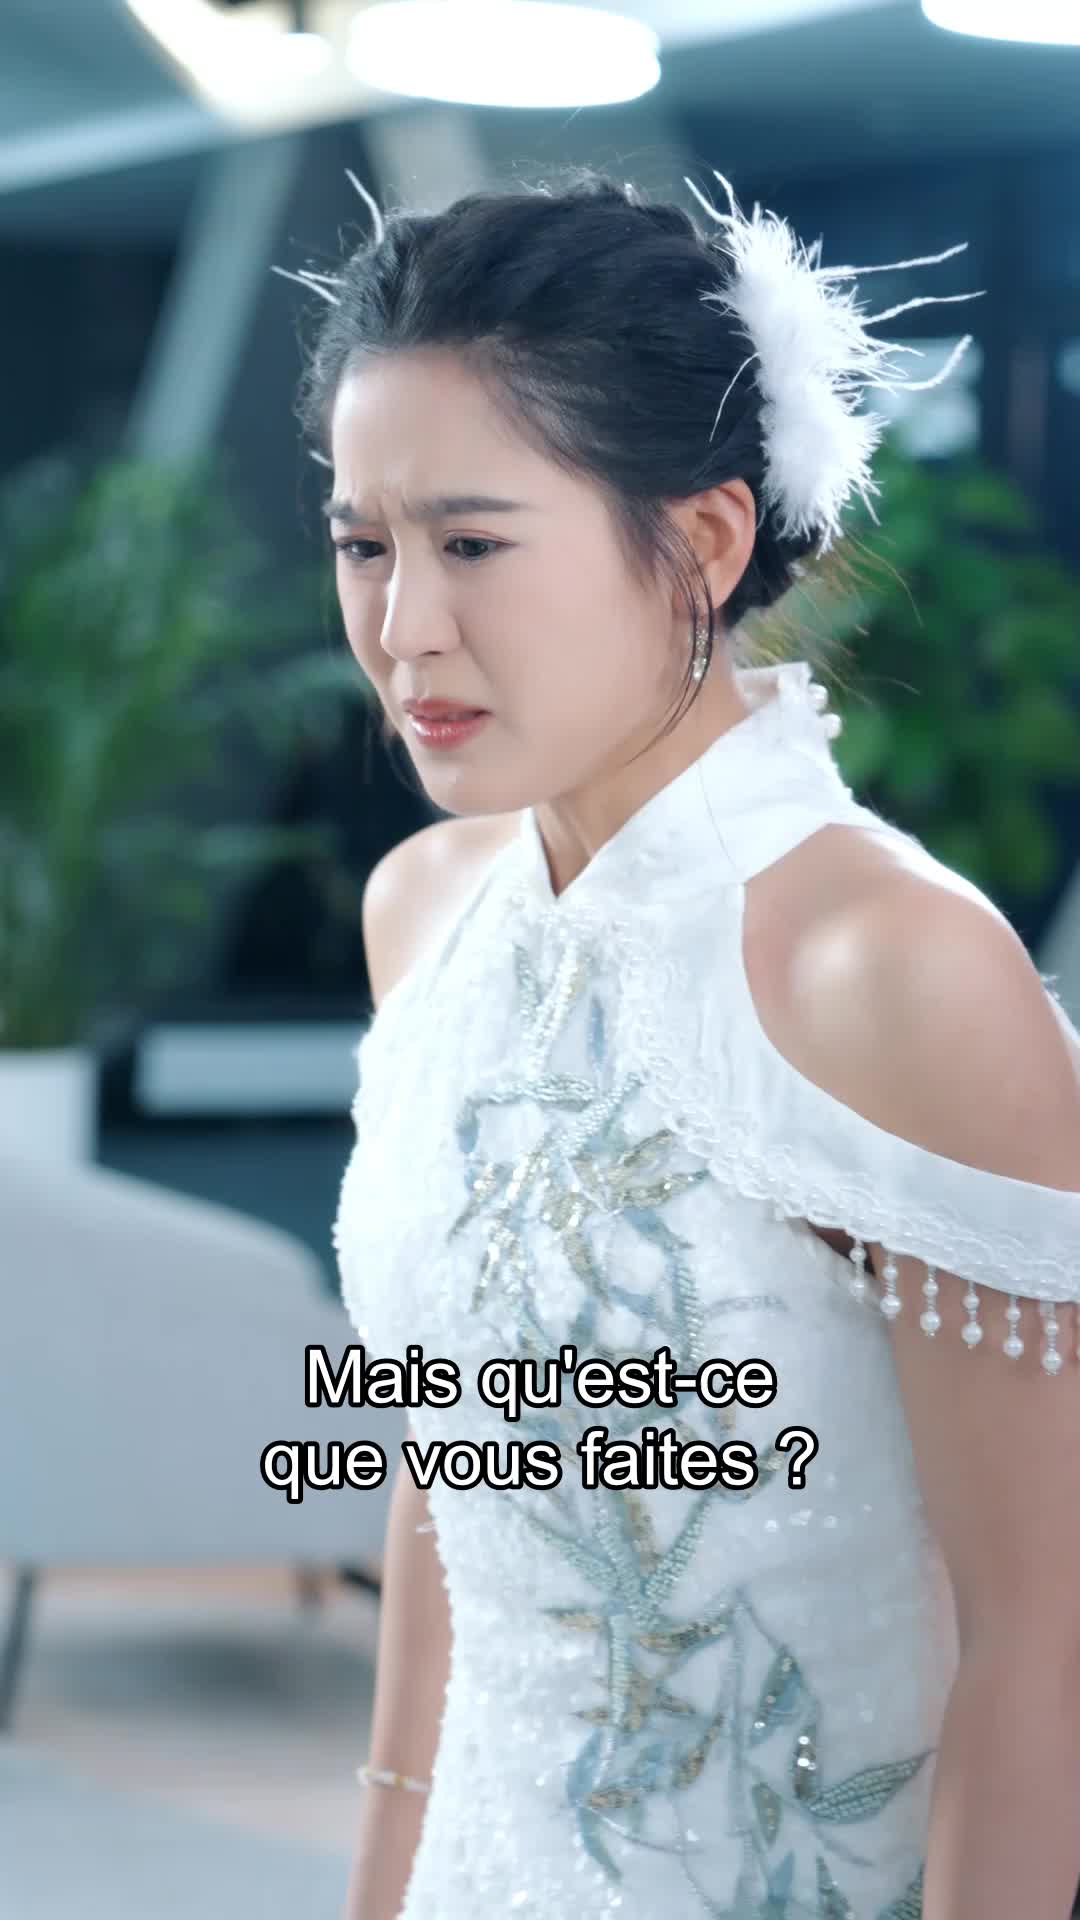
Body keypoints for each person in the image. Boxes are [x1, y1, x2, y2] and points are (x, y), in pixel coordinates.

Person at [278, 166, 1080, 1919]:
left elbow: (1045, 1646)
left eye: (473, 543)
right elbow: (451, 1490)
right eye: (363, 543)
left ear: (705, 542)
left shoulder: (895, 971)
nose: (405, 628)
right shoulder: (425, 914)